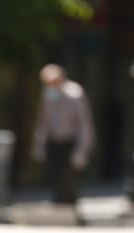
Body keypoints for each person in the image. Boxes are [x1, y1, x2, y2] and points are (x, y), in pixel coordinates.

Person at [31, 64, 95, 207]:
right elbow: (43, 122)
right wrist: (39, 145)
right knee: (55, 178)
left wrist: (82, 150)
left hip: (70, 143)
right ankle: (59, 206)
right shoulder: (48, 95)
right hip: (53, 143)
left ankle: (70, 208)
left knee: (68, 180)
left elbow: (84, 124)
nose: (50, 85)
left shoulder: (75, 93)